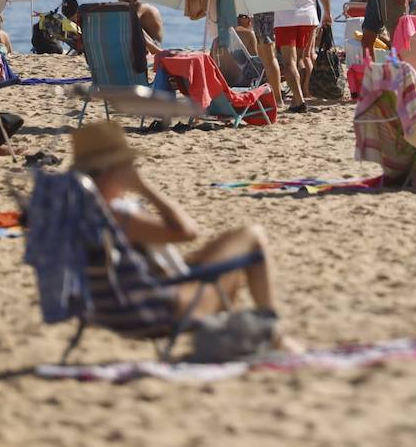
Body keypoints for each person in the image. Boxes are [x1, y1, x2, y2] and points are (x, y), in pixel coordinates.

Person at [70, 121, 298, 351]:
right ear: (114, 170)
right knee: (251, 237)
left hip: (108, 310)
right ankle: (274, 334)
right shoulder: (115, 216)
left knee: (219, 253)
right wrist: (143, 187)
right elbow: (188, 232)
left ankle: (255, 338)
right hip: (156, 311)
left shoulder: (76, 211)